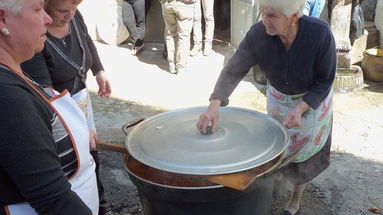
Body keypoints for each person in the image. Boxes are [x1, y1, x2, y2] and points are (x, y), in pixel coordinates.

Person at [196, 0, 336, 214]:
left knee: (304, 156)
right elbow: (235, 67)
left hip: (312, 100)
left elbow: (326, 79)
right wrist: (215, 104)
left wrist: (301, 108)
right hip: (279, 98)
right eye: (262, 13)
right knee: (278, 146)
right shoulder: (258, 34)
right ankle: (277, 181)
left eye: (272, 15)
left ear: (294, 17)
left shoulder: (320, 34)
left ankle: (295, 200)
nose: (264, 20)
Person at [0, 0, 99, 214]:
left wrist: (80, 134)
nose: (47, 18)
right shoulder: (8, 97)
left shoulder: (12, 74)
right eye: (37, 9)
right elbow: (53, 200)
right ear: (2, 19)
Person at [160, 0, 196, 75]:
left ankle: (171, 65)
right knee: (184, 37)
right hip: (184, 5)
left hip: (168, 4)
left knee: (170, 34)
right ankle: (181, 67)